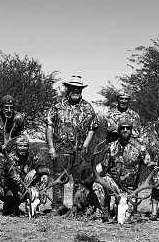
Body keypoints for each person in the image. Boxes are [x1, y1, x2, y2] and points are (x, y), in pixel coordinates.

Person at [45, 75, 99, 215]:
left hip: (80, 150)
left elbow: (93, 127)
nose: (76, 90)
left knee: (79, 180)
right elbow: (49, 126)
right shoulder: (57, 106)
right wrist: (51, 147)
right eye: (73, 88)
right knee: (59, 177)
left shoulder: (88, 107)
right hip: (60, 149)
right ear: (68, 89)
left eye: (79, 88)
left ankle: (77, 207)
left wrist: (86, 145)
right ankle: (57, 206)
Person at [92, 117, 156, 222]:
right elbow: (103, 165)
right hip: (113, 184)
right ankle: (102, 214)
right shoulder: (111, 146)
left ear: (131, 130)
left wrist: (154, 167)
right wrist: (93, 174)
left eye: (128, 128)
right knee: (98, 184)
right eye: (122, 128)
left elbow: (149, 164)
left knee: (125, 220)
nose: (125, 130)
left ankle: (119, 209)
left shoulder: (140, 148)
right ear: (119, 130)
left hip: (130, 190)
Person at [0, 135, 49, 216]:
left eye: (25, 146)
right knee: (12, 213)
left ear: (28, 146)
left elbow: (46, 170)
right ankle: (11, 205)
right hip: (9, 189)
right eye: (20, 146)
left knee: (44, 177)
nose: (23, 148)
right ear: (16, 146)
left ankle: (34, 206)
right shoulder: (9, 157)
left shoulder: (32, 156)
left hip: (25, 188)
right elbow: (9, 174)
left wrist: (35, 171)